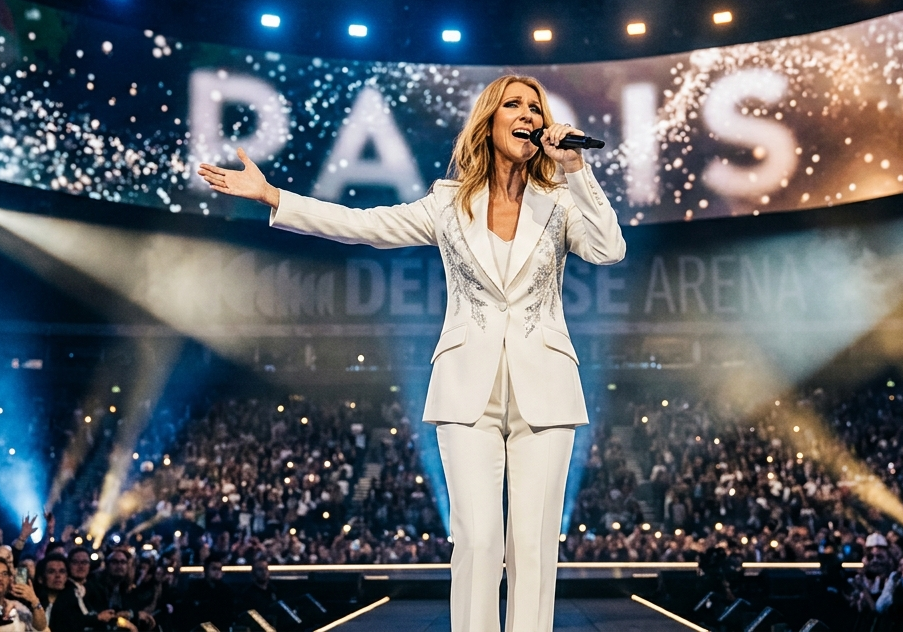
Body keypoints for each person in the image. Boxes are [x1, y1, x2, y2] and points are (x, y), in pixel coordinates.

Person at [199, 74, 626, 632]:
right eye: (513, 105)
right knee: (475, 539)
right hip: (464, 387)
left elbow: (609, 249)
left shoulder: (559, 201)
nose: (527, 114)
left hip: (545, 385)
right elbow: (362, 226)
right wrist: (274, 196)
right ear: (489, 121)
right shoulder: (448, 204)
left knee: (534, 543)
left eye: (535, 107)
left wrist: (575, 170)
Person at [0, 557, 45, 632]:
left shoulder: (17, 607)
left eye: (4, 574)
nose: (0, 578)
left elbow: (41, 628)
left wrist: (34, 601)